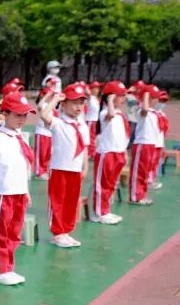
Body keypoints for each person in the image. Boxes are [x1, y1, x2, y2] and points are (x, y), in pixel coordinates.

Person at [0, 93, 34, 285]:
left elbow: (22, 167)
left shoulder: (20, 137)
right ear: (5, 115)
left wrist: (26, 191)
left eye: (24, 115)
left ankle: (7, 267)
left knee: (14, 233)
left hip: (18, 191)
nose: (22, 119)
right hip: (3, 193)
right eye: (18, 115)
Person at [38, 84, 91, 247]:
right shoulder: (58, 123)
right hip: (60, 168)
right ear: (64, 104)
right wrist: (55, 99)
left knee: (71, 202)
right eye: (74, 102)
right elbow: (44, 114)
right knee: (58, 201)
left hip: (75, 169)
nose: (78, 107)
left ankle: (66, 231)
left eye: (81, 103)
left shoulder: (82, 125)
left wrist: (85, 167)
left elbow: (84, 147)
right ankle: (57, 233)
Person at [90, 81, 129, 224]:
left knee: (111, 184)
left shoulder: (119, 114)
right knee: (103, 185)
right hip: (107, 154)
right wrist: (110, 100)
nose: (123, 98)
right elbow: (110, 114)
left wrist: (124, 152)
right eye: (120, 95)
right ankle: (99, 213)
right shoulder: (105, 113)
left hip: (118, 153)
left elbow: (123, 136)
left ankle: (106, 210)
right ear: (111, 97)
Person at [128, 86, 159, 205]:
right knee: (138, 172)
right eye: (154, 97)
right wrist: (146, 95)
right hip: (142, 144)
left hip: (151, 144)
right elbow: (145, 109)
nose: (157, 100)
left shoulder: (154, 113)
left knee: (145, 172)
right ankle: (135, 196)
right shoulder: (141, 110)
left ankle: (142, 194)